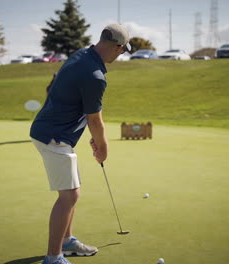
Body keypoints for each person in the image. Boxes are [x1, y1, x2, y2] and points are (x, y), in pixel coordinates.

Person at [30, 24, 131, 264]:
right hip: (54, 137)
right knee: (69, 196)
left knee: (71, 192)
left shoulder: (82, 54)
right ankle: (53, 258)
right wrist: (103, 148)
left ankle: (66, 242)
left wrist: (94, 138)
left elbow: (80, 107)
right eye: (123, 50)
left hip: (54, 132)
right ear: (117, 47)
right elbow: (95, 120)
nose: (121, 54)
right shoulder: (95, 76)